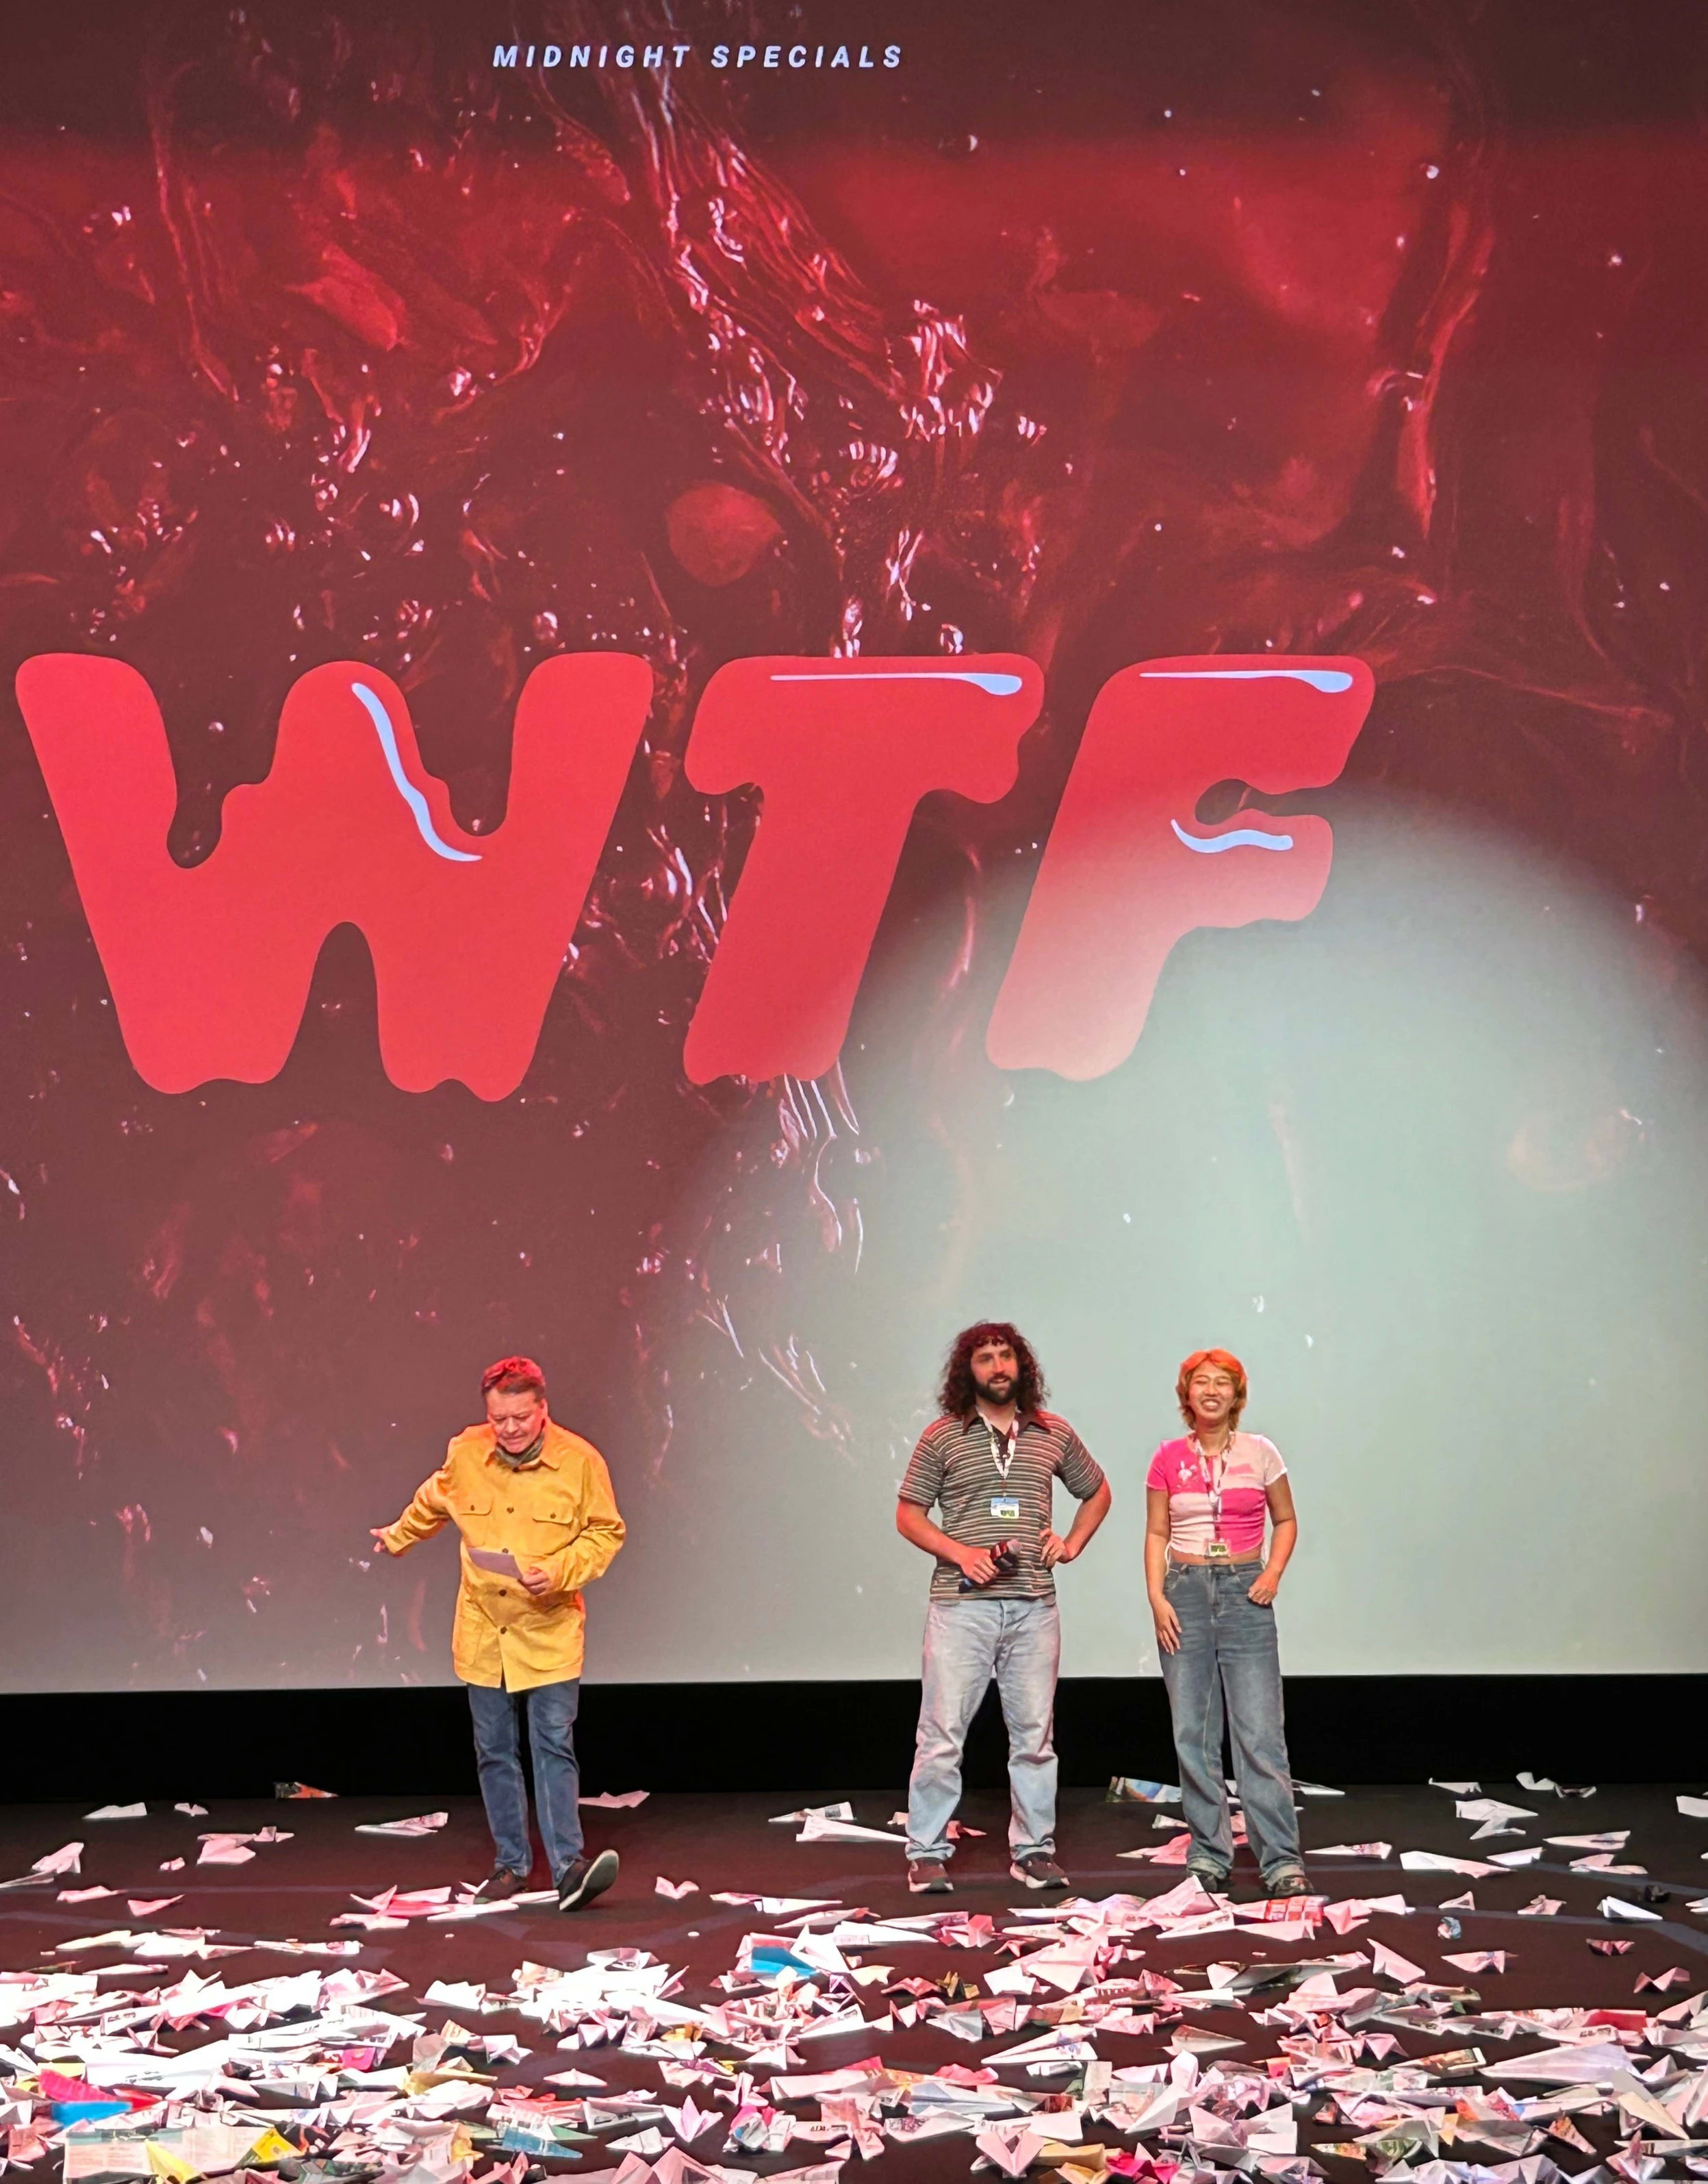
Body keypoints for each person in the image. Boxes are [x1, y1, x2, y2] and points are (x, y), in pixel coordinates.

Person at [370, 1356, 626, 1912]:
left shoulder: (579, 1462)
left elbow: (605, 1534)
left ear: (542, 1410)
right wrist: (397, 1535)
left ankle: (568, 1868)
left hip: (548, 1628)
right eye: (498, 1419)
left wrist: (557, 1571)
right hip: (485, 1629)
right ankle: (511, 1865)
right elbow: (435, 1499)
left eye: (519, 1418)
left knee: (552, 1746)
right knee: (494, 1751)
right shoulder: (467, 1451)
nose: (508, 1430)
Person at [897, 1321, 1112, 1894]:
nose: (997, 1367)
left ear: (1022, 1366)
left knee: (1035, 1736)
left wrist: (1070, 1543)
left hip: (1033, 1605)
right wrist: (962, 1553)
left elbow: (1097, 1491)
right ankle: (925, 1851)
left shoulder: (1051, 1432)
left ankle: (1033, 1851)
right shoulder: (942, 1435)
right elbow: (909, 1514)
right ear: (967, 1371)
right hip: (961, 1606)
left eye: (1006, 1356)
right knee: (941, 1733)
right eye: (985, 1358)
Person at [1145, 1348, 1307, 1897]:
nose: (1210, 1391)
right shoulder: (1167, 1457)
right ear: (1185, 1394)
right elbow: (1156, 1534)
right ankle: (1209, 1854)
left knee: (1259, 1733)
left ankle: (1280, 1859)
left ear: (1237, 1396)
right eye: (1200, 1383)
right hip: (1185, 1594)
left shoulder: (1260, 1453)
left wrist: (1273, 1573)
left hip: (1243, 1592)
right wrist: (1156, 1597)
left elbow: (1285, 1519)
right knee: (1193, 1732)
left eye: (1222, 1383)